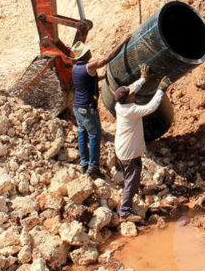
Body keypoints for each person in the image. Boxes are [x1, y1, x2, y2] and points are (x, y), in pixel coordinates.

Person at [113, 65, 171, 222]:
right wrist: (161, 90)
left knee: (130, 177)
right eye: (132, 95)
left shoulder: (120, 104)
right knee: (132, 180)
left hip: (123, 150)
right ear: (128, 99)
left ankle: (130, 199)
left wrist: (143, 78)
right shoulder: (130, 110)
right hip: (129, 153)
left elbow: (131, 89)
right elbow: (151, 107)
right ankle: (125, 211)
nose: (134, 94)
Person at [71, 38, 128, 178]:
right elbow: (107, 58)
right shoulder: (89, 66)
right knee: (95, 136)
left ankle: (84, 165)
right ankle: (93, 168)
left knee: (82, 134)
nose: (90, 51)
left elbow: (90, 79)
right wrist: (123, 41)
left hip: (78, 108)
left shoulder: (76, 69)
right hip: (87, 109)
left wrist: (106, 77)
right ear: (84, 55)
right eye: (87, 51)